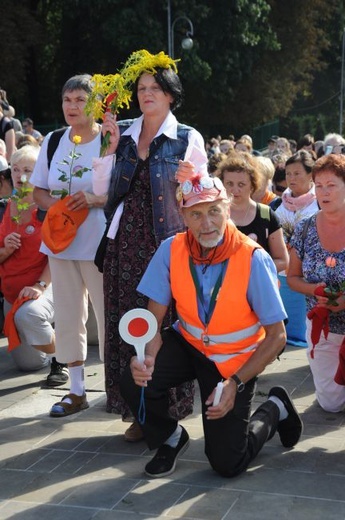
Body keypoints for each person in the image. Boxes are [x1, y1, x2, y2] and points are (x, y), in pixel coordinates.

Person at [119, 173, 303, 479]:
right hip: (189, 343)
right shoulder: (171, 248)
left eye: (214, 211)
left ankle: (275, 407)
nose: (207, 224)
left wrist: (236, 383)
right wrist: (148, 357)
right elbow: (156, 312)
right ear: (183, 216)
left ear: (227, 209)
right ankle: (171, 438)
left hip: (233, 360)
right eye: (196, 214)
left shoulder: (253, 258)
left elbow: (277, 337)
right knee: (135, 380)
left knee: (227, 463)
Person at [98, 50, 207, 441]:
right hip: (123, 244)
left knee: (164, 326)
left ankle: (167, 410)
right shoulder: (122, 133)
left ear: (170, 95)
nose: (147, 94)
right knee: (125, 325)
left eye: (155, 88)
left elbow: (203, 198)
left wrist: (193, 179)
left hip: (166, 246)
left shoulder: (187, 137)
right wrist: (108, 154)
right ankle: (135, 413)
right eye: (142, 88)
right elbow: (102, 194)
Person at [31, 74, 107, 416]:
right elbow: (38, 192)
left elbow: (121, 192)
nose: (72, 106)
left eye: (80, 100)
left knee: (108, 316)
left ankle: (115, 389)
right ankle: (76, 391)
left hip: (100, 243)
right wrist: (58, 206)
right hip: (60, 244)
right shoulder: (53, 140)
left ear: (94, 104)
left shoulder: (109, 141)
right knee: (67, 316)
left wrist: (92, 199)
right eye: (67, 100)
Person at [0, 145, 67, 383]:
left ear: (40, 172)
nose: (19, 175)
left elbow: (58, 255)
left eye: (27, 169)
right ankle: (56, 336)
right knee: (29, 365)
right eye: (15, 169)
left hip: (44, 287)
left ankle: (63, 356)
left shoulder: (48, 207)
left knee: (29, 317)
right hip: (11, 297)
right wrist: (5, 250)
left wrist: (39, 286)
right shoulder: (4, 207)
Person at [287, 154, 345, 413]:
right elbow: (292, 278)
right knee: (332, 405)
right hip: (322, 328)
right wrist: (315, 290)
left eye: (331, 185)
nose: (324, 192)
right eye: (318, 185)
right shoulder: (304, 228)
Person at [216, 152, 288, 273]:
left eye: (241, 184)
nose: (235, 190)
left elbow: (283, 260)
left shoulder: (266, 215)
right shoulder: (214, 215)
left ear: (252, 185)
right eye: (229, 184)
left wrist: (252, 270)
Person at [275, 150, 319, 347]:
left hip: (308, 274)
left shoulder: (319, 203)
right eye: (288, 174)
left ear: (310, 175)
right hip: (283, 274)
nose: (291, 178)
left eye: (297, 173)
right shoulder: (279, 204)